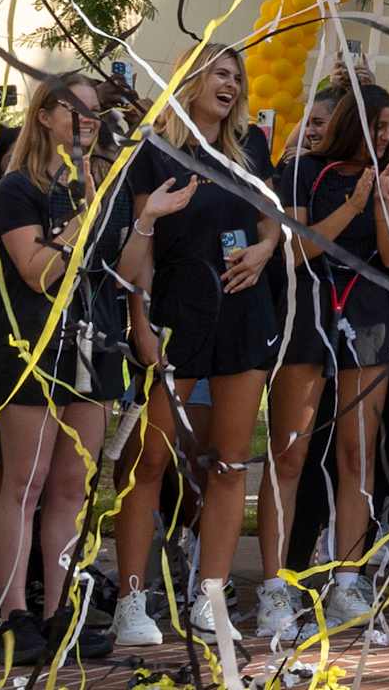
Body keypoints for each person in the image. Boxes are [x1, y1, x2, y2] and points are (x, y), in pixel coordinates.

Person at [0, 73, 169, 662]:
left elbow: (125, 271)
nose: (90, 118)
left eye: (96, 110)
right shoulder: (19, 187)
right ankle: (11, 613)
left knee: (73, 486)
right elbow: (37, 272)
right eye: (78, 108)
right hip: (33, 349)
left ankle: (58, 611)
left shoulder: (102, 185)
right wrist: (85, 212)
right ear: (45, 115)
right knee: (26, 484)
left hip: (95, 348)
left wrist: (144, 219)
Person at [113, 44, 281, 646]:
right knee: (150, 461)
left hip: (242, 313)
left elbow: (271, 217)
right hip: (177, 313)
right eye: (219, 73)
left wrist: (266, 249)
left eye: (237, 76)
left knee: (231, 464)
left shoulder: (250, 146)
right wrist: (141, 323)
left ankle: (211, 599)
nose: (230, 84)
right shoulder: (153, 151)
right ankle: (131, 601)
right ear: (191, 79)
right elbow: (140, 256)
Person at [261, 83, 389, 632]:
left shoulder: (387, 175)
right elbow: (297, 249)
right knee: (290, 453)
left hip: (368, 313)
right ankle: (275, 588)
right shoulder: (303, 170)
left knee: (357, 455)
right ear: (352, 121)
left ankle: (348, 581)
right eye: (378, 126)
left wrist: (383, 201)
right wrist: (353, 204)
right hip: (309, 309)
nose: (386, 137)